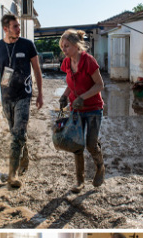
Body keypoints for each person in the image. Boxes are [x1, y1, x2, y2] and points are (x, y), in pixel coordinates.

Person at [0, 14, 44, 189]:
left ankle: (13, 173)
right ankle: (24, 155)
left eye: (19, 26)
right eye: (15, 26)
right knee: (15, 134)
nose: (19, 29)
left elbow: (37, 70)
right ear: (6, 29)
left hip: (24, 96)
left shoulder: (27, 45)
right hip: (6, 98)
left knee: (17, 134)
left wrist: (40, 94)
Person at [59, 29, 106, 193]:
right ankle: (80, 181)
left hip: (93, 108)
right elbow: (71, 84)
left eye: (67, 46)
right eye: (62, 47)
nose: (64, 50)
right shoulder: (67, 62)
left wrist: (82, 98)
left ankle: (100, 167)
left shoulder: (89, 61)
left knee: (91, 144)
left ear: (76, 45)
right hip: (76, 109)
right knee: (77, 144)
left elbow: (100, 85)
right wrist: (65, 96)